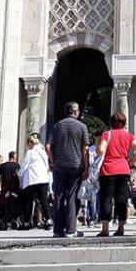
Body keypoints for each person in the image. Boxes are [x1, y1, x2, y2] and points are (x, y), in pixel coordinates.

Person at [46, 101, 90, 238]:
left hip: (60, 166)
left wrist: (53, 161)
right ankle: (71, 230)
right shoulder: (82, 126)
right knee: (71, 196)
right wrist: (86, 167)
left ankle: (57, 230)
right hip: (76, 165)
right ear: (76, 112)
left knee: (59, 195)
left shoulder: (57, 126)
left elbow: (47, 146)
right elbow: (85, 149)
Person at [96, 111, 136, 237]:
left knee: (106, 199)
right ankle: (120, 228)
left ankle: (105, 229)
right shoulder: (128, 136)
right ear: (124, 123)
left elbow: (100, 150)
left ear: (111, 122)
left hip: (107, 170)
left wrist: (98, 147)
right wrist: (130, 162)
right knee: (121, 199)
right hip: (123, 169)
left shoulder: (107, 134)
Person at [20, 133, 52, 230]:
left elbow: (25, 165)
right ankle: (48, 220)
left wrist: (19, 174)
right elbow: (47, 164)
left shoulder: (30, 152)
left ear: (30, 143)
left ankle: (26, 222)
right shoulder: (42, 151)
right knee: (43, 200)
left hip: (33, 179)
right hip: (43, 179)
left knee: (28, 201)